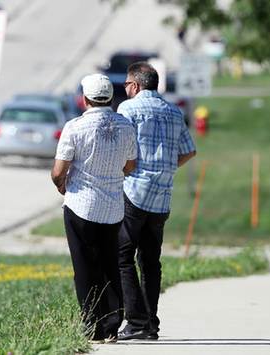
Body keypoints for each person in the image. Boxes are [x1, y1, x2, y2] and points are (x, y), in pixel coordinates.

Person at [51, 74, 137, 343]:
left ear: (85, 99)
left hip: (81, 205)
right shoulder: (125, 126)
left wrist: (62, 185)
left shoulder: (74, 127)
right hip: (112, 207)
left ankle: (93, 328)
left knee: (85, 267)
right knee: (110, 263)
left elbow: (58, 170)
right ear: (111, 99)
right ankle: (112, 324)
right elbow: (130, 165)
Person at [116, 62, 196, 340]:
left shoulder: (128, 109)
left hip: (134, 191)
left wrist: (129, 169)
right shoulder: (174, 112)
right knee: (151, 261)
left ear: (136, 85)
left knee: (122, 256)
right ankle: (150, 324)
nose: (125, 89)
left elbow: (122, 149)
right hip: (162, 196)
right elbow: (189, 150)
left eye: (127, 84)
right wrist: (167, 168)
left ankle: (136, 321)